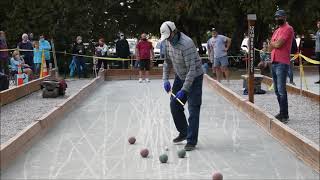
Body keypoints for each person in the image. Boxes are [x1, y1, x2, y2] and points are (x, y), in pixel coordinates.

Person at [160, 21, 204, 151]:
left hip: (194, 77)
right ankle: (184, 132)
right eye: (166, 38)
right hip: (180, 76)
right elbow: (167, 62)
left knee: (193, 109)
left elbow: (192, 69)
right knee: (174, 104)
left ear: (174, 31)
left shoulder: (187, 44)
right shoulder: (167, 42)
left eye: (169, 36)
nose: (168, 40)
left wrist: (184, 89)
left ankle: (191, 140)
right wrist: (165, 79)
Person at [268, 10, 294, 123]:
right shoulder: (277, 30)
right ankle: (281, 111)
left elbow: (278, 44)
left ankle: (285, 114)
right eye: (276, 17)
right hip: (273, 62)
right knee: (277, 90)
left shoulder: (288, 28)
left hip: (282, 62)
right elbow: (270, 47)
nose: (277, 19)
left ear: (284, 17)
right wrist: (274, 44)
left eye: (279, 17)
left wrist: (274, 43)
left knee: (281, 90)